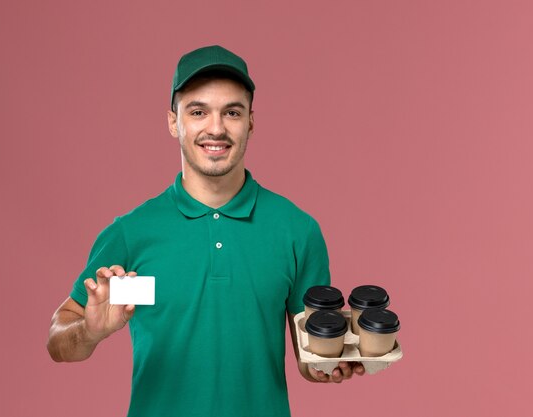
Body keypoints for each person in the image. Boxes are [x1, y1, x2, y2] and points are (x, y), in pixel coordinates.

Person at [47, 45, 364, 417]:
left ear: (250, 122)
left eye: (232, 112)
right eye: (198, 112)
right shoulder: (131, 234)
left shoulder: (297, 231)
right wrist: (90, 331)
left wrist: (331, 364)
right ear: (172, 121)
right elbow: (58, 340)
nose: (216, 128)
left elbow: (309, 358)